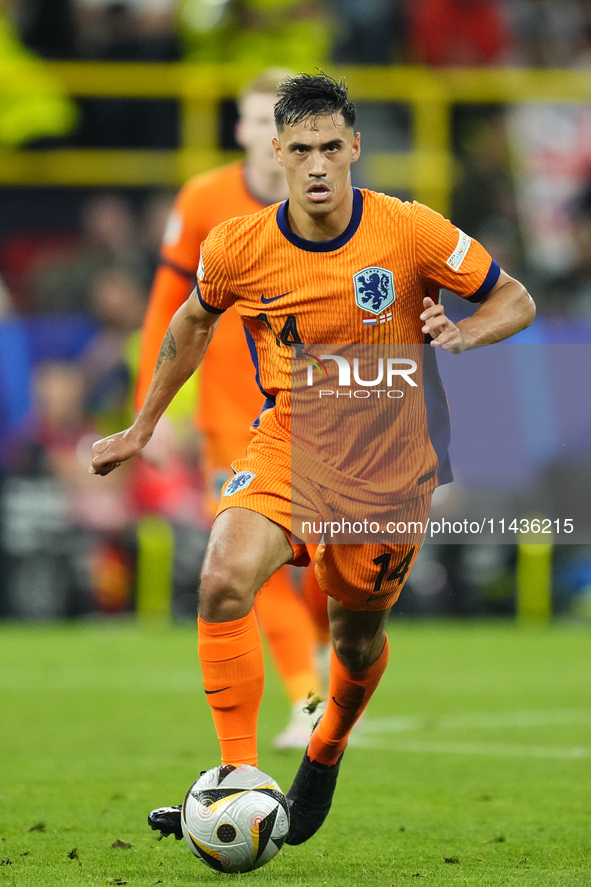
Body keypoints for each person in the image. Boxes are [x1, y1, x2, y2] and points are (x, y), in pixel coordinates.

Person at [90, 73, 535, 846]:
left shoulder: (409, 230)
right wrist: (143, 424)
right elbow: (192, 322)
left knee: (354, 639)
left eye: (332, 146)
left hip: (388, 473)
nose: (318, 163)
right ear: (278, 153)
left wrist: (467, 333)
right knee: (223, 575)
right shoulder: (236, 244)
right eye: (301, 149)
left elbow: (513, 298)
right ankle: (238, 775)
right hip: (288, 442)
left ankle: (325, 745)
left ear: (355, 147)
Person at [135, 68, 329, 749]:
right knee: (242, 557)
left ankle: (323, 653)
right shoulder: (204, 200)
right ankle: (306, 697)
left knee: (320, 568)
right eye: (252, 119)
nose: (263, 132)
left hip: (319, 416)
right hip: (228, 415)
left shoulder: (334, 205)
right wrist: (148, 416)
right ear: (242, 129)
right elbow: (169, 310)